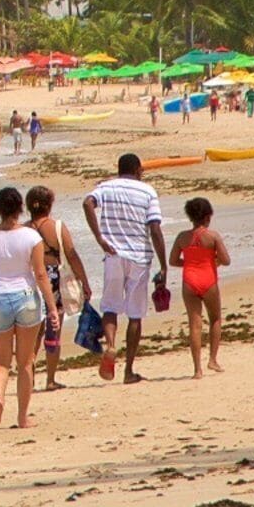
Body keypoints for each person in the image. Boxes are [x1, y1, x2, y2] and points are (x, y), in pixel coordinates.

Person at [84, 152, 166, 383]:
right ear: (138, 170)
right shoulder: (147, 191)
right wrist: (163, 265)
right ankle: (128, 371)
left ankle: (110, 346)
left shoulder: (106, 187)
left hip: (113, 254)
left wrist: (100, 238)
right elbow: (155, 229)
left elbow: (87, 203)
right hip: (139, 257)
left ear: (119, 169)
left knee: (110, 307)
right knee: (135, 315)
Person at [0, 187, 48, 429]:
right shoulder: (31, 237)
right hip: (26, 297)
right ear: (20, 208)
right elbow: (40, 274)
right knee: (26, 362)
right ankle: (22, 417)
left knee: (0, 362)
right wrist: (52, 307)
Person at [25, 184, 90, 390]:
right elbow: (71, 254)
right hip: (54, 280)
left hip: (31, 280)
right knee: (54, 330)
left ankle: (29, 378)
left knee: (33, 332)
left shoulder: (23, 229)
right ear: (49, 205)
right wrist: (84, 282)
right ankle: (50, 379)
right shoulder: (58, 227)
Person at [171, 196, 229, 376]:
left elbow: (173, 261)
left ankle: (197, 369)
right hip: (208, 278)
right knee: (215, 319)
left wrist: (189, 263)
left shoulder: (182, 237)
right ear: (207, 217)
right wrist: (213, 261)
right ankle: (212, 360)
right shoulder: (213, 236)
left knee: (194, 325)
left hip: (189, 280)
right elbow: (226, 260)